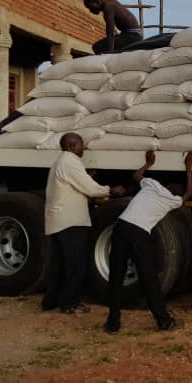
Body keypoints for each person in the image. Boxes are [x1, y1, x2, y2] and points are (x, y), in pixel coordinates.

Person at [105, 150, 192, 334]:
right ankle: (164, 322)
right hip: (138, 233)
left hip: (120, 227)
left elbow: (136, 176)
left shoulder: (151, 185)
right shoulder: (172, 201)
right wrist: (189, 169)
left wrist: (148, 164)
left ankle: (113, 324)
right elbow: (189, 193)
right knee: (148, 278)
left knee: (116, 275)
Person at [43, 132, 124, 314]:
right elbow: (90, 189)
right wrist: (111, 190)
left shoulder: (61, 161)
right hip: (70, 221)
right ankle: (69, 303)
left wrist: (87, 176)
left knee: (61, 265)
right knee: (75, 265)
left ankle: (50, 302)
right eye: (81, 143)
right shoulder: (70, 162)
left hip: (60, 220)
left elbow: (75, 184)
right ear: (72, 146)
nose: (84, 146)